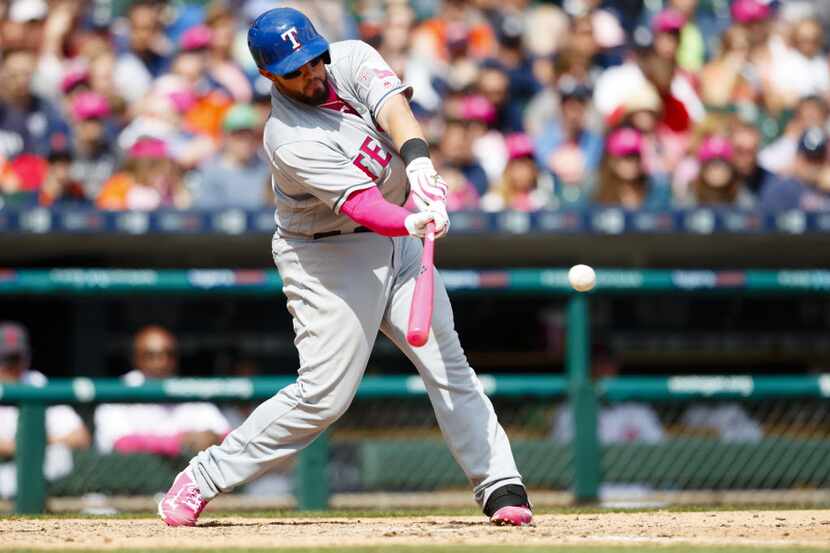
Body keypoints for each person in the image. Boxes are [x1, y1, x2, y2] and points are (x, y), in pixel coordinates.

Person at [159, 8, 532, 528]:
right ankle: (202, 477)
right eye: (294, 70)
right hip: (328, 254)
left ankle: (499, 483)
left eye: (312, 60)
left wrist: (420, 162)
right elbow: (363, 208)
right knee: (324, 397)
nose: (310, 74)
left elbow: (394, 109)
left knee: (448, 362)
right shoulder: (287, 136)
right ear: (269, 76)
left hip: (401, 233)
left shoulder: (352, 56)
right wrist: (414, 220)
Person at [94, 325, 230, 459]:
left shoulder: (186, 389)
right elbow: (120, 444)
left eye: (168, 354)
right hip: (125, 478)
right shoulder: (119, 390)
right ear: (136, 358)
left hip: (182, 476)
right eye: (151, 355)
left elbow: (226, 435)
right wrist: (178, 443)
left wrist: (213, 438)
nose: (161, 362)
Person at [0, 321, 91, 499]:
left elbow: (81, 437)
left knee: (58, 457)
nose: (12, 366)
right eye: (5, 358)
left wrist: (36, 443)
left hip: (38, 474)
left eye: (16, 358)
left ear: (27, 357)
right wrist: (23, 446)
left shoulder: (35, 382)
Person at [190, 103, 270, 209]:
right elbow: (207, 217)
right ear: (226, 136)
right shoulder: (211, 172)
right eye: (240, 134)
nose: (247, 140)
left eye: (253, 135)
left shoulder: (267, 170)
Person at [760, 127, 830, 211]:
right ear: (797, 157)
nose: (813, 165)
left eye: (818, 158)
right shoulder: (782, 189)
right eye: (809, 158)